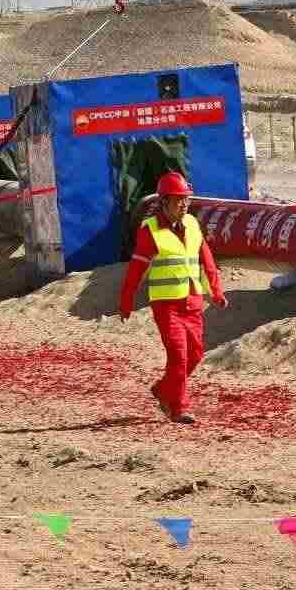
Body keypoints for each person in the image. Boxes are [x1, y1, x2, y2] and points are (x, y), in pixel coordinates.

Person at [118, 172, 226, 423]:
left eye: (186, 199)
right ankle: (178, 407)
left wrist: (216, 291)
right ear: (164, 201)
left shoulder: (192, 224)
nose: (184, 204)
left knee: (195, 356)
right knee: (178, 357)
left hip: (193, 302)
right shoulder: (150, 230)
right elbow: (136, 269)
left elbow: (207, 260)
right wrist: (126, 301)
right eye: (178, 199)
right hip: (166, 307)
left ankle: (163, 389)